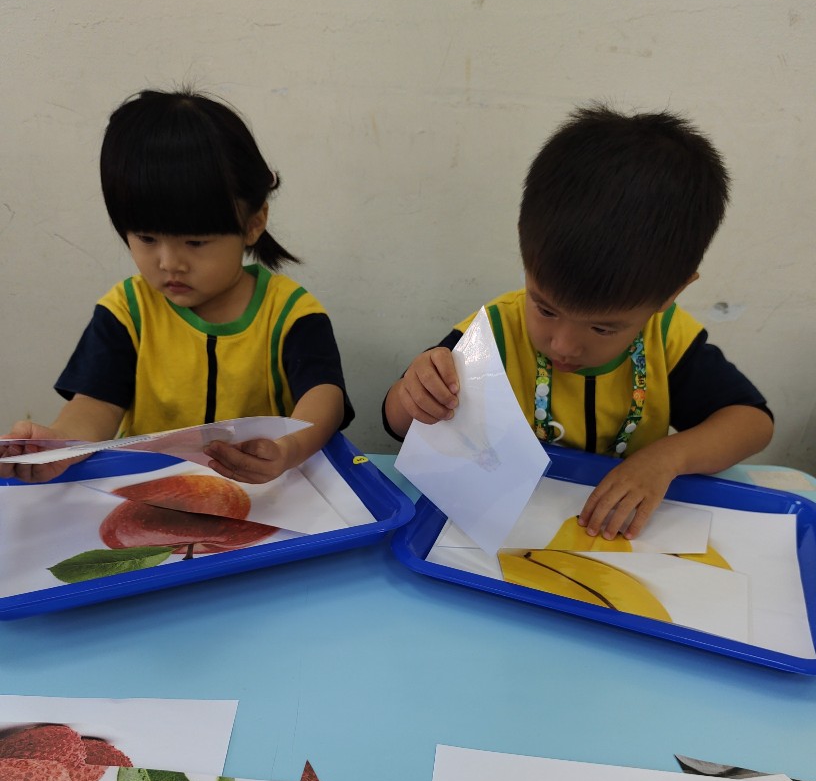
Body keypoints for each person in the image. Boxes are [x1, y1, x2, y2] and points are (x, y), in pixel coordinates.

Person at [383, 105, 773, 540]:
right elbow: (400, 424)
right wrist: (413, 395)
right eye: (545, 309)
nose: (563, 345)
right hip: (499, 535)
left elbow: (752, 424)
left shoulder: (667, 341)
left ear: (670, 295)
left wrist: (667, 459)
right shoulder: (492, 332)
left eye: (603, 328)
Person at [1, 89, 352, 484]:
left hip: (266, 492)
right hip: (148, 490)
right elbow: (96, 404)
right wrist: (62, 445)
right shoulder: (127, 310)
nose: (169, 263)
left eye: (195, 242)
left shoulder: (289, 313)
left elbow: (325, 397)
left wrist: (289, 449)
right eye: (147, 238)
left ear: (253, 223)